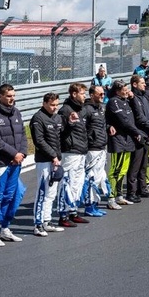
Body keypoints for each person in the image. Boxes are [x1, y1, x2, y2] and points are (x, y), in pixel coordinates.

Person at [0, 83, 28, 245]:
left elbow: (23, 134)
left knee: (12, 195)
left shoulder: (16, 112)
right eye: (9, 96)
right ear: (0, 96)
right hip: (1, 163)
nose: (12, 99)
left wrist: (22, 153)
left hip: (16, 162)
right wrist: (13, 153)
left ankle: (5, 228)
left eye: (13, 96)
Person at [56, 83, 91, 228]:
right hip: (70, 152)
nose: (84, 96)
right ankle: (63, 215)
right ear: (74, 94)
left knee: (77, 183)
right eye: (82, 93)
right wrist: (69, 123)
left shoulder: (81, 109)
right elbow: (60, 131)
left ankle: (73, 212)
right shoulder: (65, 110)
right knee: (67, 183)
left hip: (81, 151)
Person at [30, 92, 65, 235]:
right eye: (51, 105)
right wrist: (52, 155)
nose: (54, 107)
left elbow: (60, 137)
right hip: (44, 160)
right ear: (44, 103)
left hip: (56, 160)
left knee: (51, 193)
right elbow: (39, 141)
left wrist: (58, 156)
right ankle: (38, 224)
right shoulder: (38, 118)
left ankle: (47, 220)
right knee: (42, 192)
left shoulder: (57, 117)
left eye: (56, 105)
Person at [105, 82, 144, 208]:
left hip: (128, 140)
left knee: (123, 170)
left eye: (127, 89)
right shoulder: (114, 102)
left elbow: (137, 114)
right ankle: (111, 198)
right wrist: (136, 132)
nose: (127, 91)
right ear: (117, 91)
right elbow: (123, 120)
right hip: (118, 140)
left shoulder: (126, 101)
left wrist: (132, 98)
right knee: (115, 170)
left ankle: (119, 195)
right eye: (124, 89)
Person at [129, 74, 149, 196]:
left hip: (148, 134)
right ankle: (132, 191)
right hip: (139, 135)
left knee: (144, 165)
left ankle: (142, 188)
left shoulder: (144, 98)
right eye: (142, 83)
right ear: (135, 84)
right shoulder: (133, 99)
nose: (145, 85)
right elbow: (139, 118)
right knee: (135, 165)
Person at [82, 84, 110, 214]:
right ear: (92, 95)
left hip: (102, 147)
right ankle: (89, 206)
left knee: (99, 178)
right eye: (100, 94)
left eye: (104, 94)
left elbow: (102, 125)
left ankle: (94, 204)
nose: (103, 96)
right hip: (92, 149)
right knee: (91, 178)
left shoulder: (102, 108)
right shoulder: (86, 109)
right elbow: (82, 129)